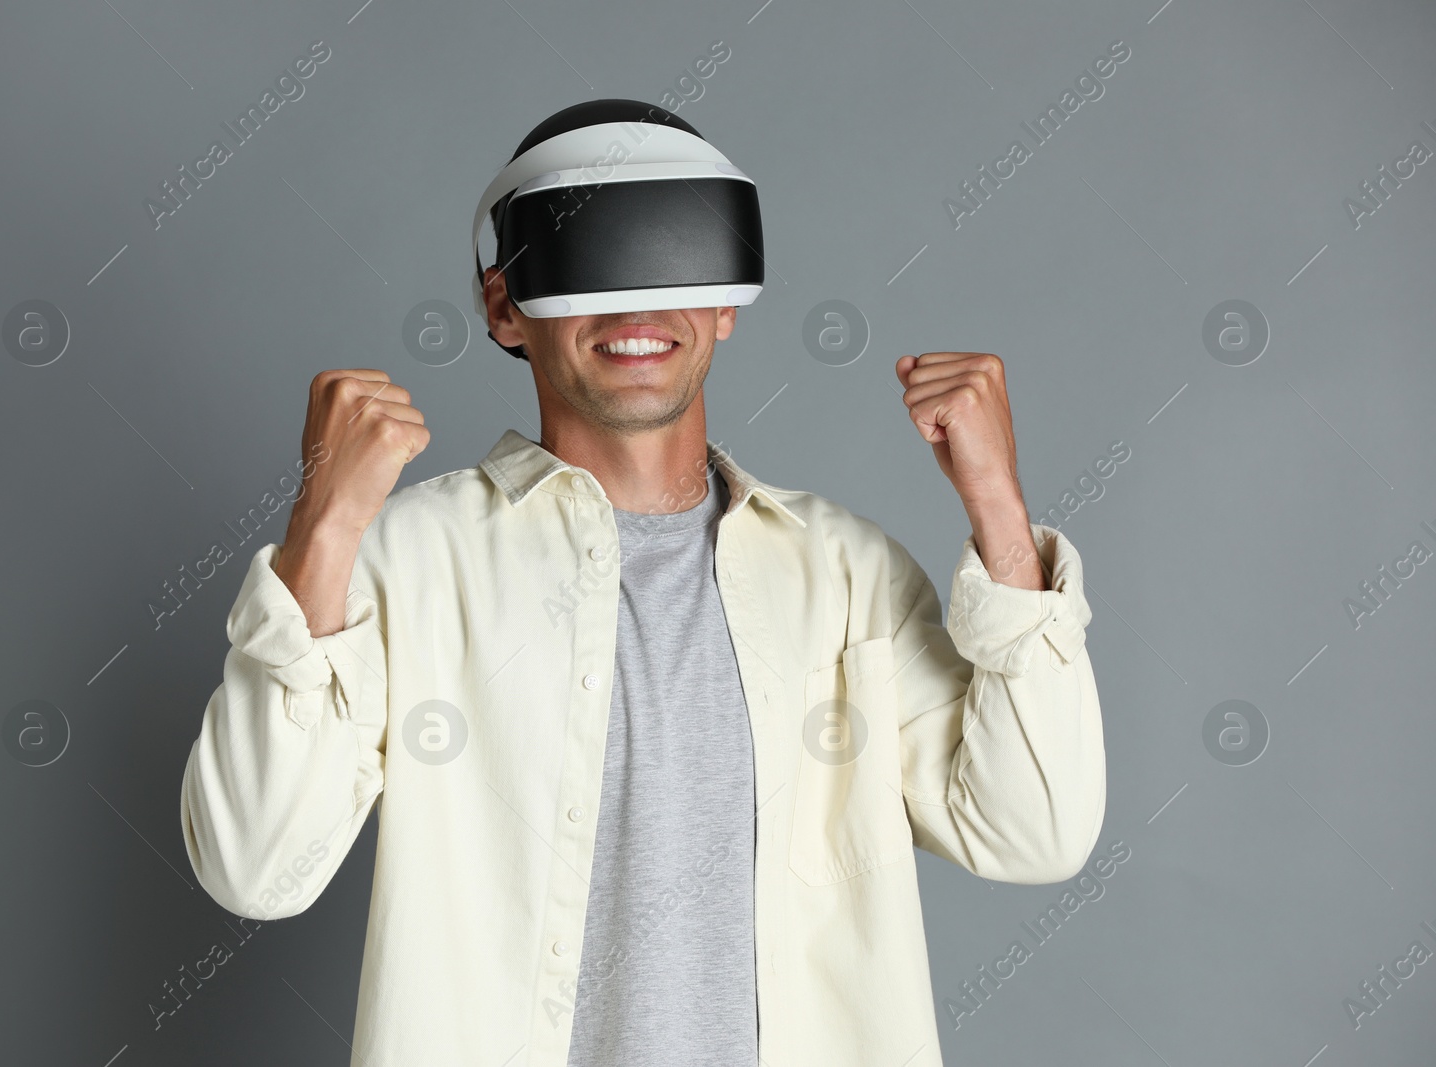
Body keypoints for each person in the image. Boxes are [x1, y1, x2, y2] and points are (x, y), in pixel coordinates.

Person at [179, 99, 1105, 1067]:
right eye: (588, 256)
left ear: (724, 300)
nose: (636, 307)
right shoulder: (404, 563)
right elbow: (254, 864)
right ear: (505, 305)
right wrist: (321, 526)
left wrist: (999, 509)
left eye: (677, 252)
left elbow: (1032, 831)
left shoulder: (845, 574)